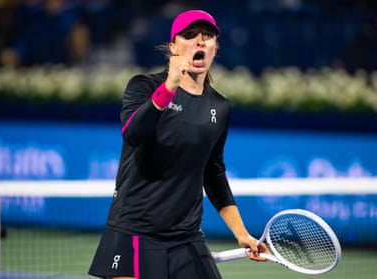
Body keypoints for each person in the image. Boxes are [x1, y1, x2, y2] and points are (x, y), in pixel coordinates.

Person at [88, 9, 268, 279]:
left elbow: (213, 173)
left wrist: (242, 234)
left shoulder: (219, 107)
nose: (199, 41)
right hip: (134, 232)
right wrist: (169, 87)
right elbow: (132, 134)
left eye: (207, 36)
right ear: (173, 47)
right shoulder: (143, 86)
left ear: (215, 49)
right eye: (190, 35)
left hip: (186, 237)